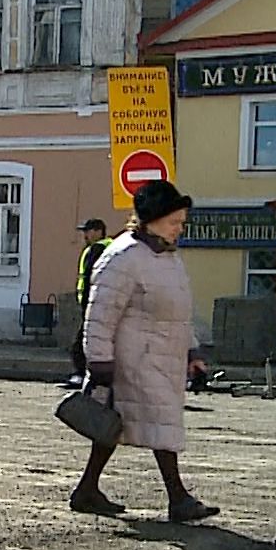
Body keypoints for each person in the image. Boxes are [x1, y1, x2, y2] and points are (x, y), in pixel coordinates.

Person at [70, 180, 216, 523]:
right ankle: (178, 498)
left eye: (182, 222)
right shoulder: (123, 257)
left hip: (161, 356)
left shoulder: (167, 257)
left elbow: (178, 313)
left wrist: (192, 352)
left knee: (116, 425)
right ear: (152, 220)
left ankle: (87, 489)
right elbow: (100, 313)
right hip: (135, 360)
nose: (180, 228)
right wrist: (100, 362)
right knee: (160, 420)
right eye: (174, 221)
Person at [65, 217, 113, 387]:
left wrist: (88, 302)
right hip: (94, 304)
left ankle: (81, 375)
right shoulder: (104, 247)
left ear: (98, 231)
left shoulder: (99, 249)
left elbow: (91, 279)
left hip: (93, 304)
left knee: (81, 344)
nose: (85, 235)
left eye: (88, 231)